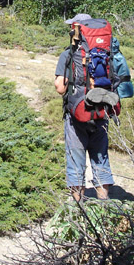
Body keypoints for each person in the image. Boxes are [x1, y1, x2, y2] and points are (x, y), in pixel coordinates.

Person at [54, 13, 114, 202]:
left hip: (77, 114)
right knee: (100, 159)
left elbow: (60, 88)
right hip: (102, 112)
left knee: (75, 160)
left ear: (77, 29)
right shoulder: (107, 51)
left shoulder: (69, 53)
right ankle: (104, 206)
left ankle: (78, 208)